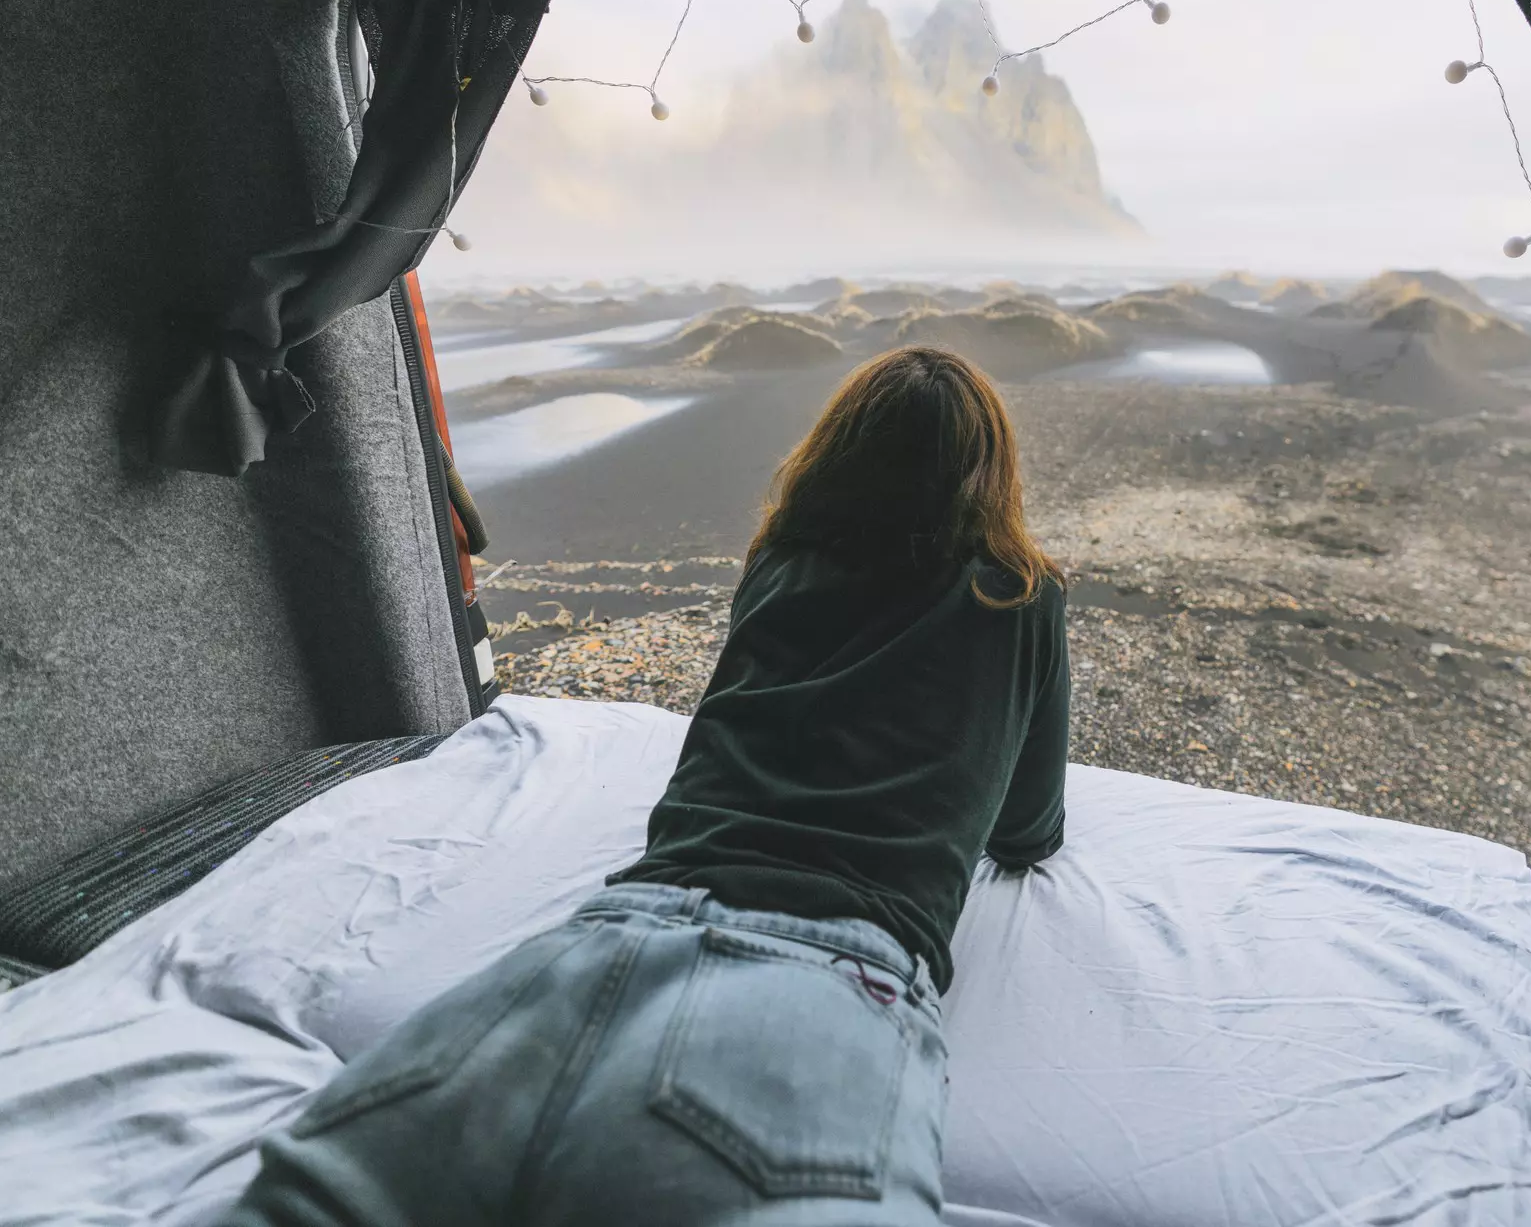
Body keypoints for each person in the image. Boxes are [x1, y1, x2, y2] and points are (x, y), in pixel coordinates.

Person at [223, 346, 1071, 1226]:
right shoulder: (1019, 593)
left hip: (608, 943)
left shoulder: (781, 558)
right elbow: (1029, 830)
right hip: (830, 979)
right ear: (990, 469)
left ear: (837, 451)